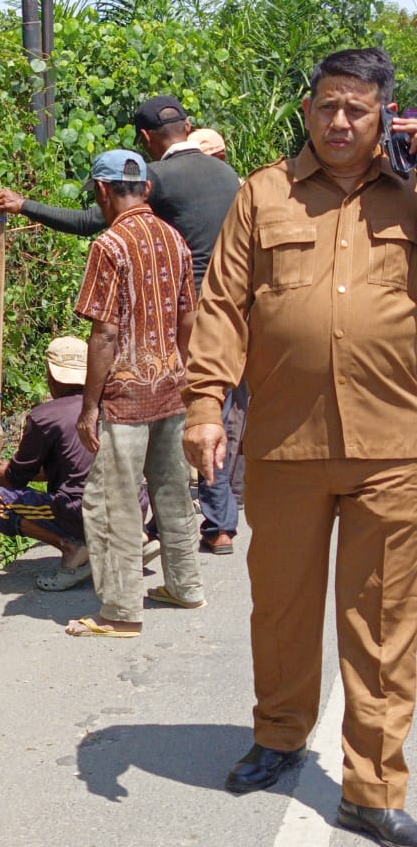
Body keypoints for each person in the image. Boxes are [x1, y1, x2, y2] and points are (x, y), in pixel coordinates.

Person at [183, 47, 417, 845]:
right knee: (281, 607)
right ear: (308, 108)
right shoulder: (264, 194)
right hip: (286, 442)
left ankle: (371, 787)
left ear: (383, 112)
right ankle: (280, 735)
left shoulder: (410, 197)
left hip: (395, 444)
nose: (340, 121)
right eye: (327, 106)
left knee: (383, 621)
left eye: (357, 108)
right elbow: (222, 304)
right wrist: (205, 404)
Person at [0, 95, 243, 556]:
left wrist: (24, 204)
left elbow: (94, 222)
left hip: (189, 313)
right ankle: (223, 519)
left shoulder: (156, 179)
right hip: (241, 309)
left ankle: (173, 527)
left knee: (183, 416)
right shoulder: (227, 174)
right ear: (188, 127)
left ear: (145, 139)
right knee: (227, 408)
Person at [64, 149, 204, 638]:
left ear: (103, 191)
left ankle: (120, 611)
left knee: (112, 501)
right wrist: (182, 372)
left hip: (124, 398)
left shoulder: (110, 245)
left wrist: (88, 406)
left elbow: (104, 333)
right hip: (172, 387)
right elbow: (189, 317)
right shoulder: (175, 240)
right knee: (173, 490)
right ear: (144, 188)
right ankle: (185, 586)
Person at [0, 336, 94, 592]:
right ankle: (135, 538)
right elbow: (74, 466)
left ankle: (71, 546)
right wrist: (9, 470)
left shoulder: (45, 416)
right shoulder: (109, 405)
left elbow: (16, 478)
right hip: (132, 505)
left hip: (81, 511)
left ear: (52, 375)